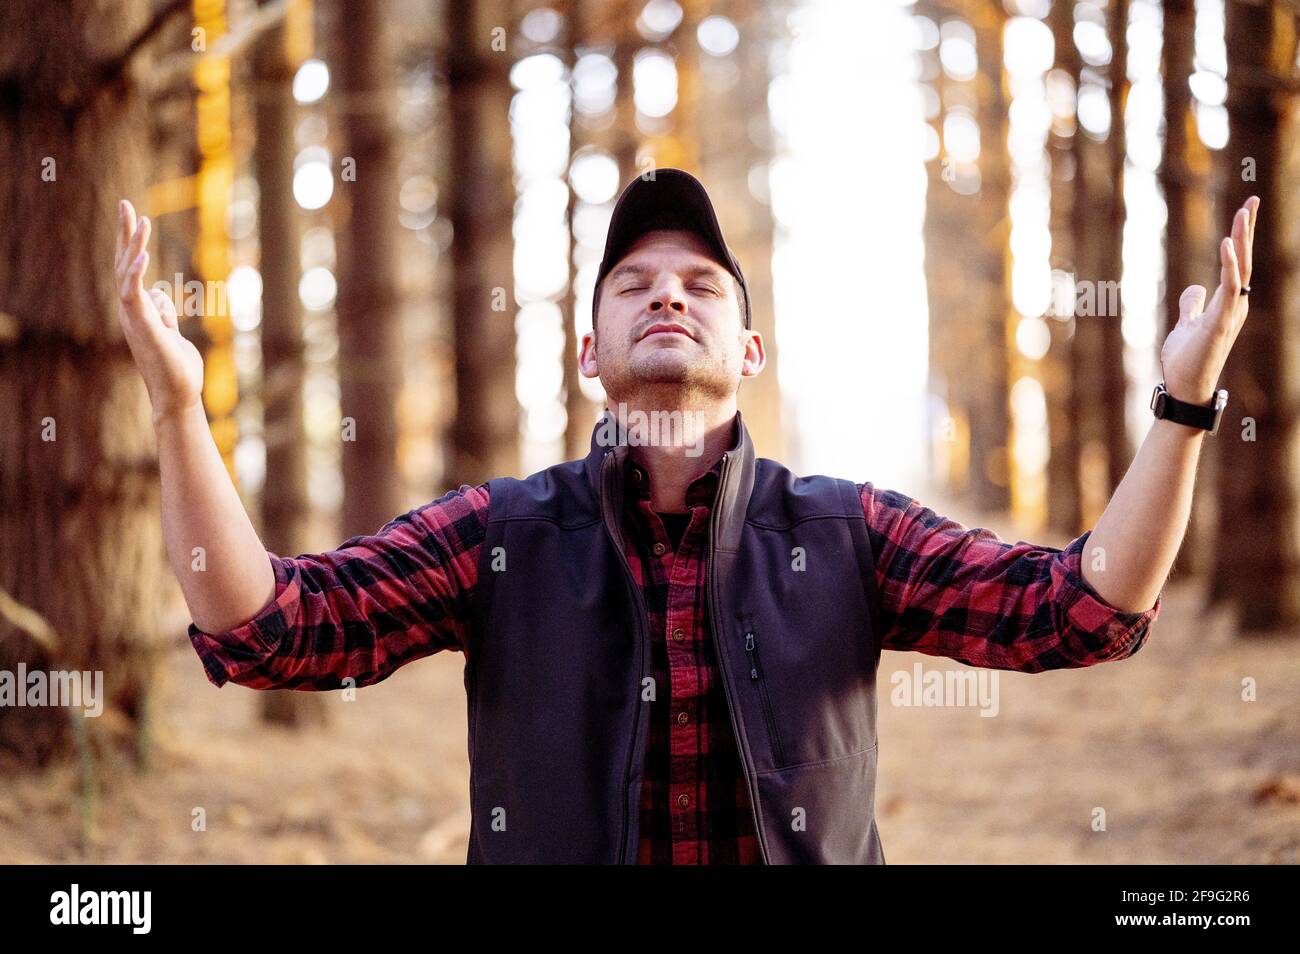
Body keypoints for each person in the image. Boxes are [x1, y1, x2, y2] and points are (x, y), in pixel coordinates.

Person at [113, 168, 1259, 864]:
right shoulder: (497, 536)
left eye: (702, 282)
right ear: (589, 353)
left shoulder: (849, 533)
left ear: (747, 352)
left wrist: (1185, 400)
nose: (667, 290)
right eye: (633, 282)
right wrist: (174, 406)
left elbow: (1085, 608)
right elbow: (272, 630)